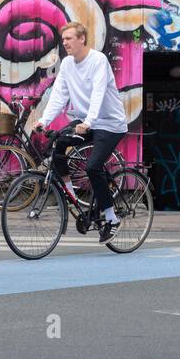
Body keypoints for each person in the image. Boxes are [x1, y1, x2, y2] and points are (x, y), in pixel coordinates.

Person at [36, 21, 129, 244]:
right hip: (85, 122)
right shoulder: (67, 64)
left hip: (109, 123)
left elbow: (98, 93)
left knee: (93, 166)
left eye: (69, 38)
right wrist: (44, 120)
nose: (65, 42)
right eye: (64, 39)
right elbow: (59, 95)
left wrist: (88, 121)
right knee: (58, 145)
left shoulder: (98, 61)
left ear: (82, 39)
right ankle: (72, 198)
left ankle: (111, 218)